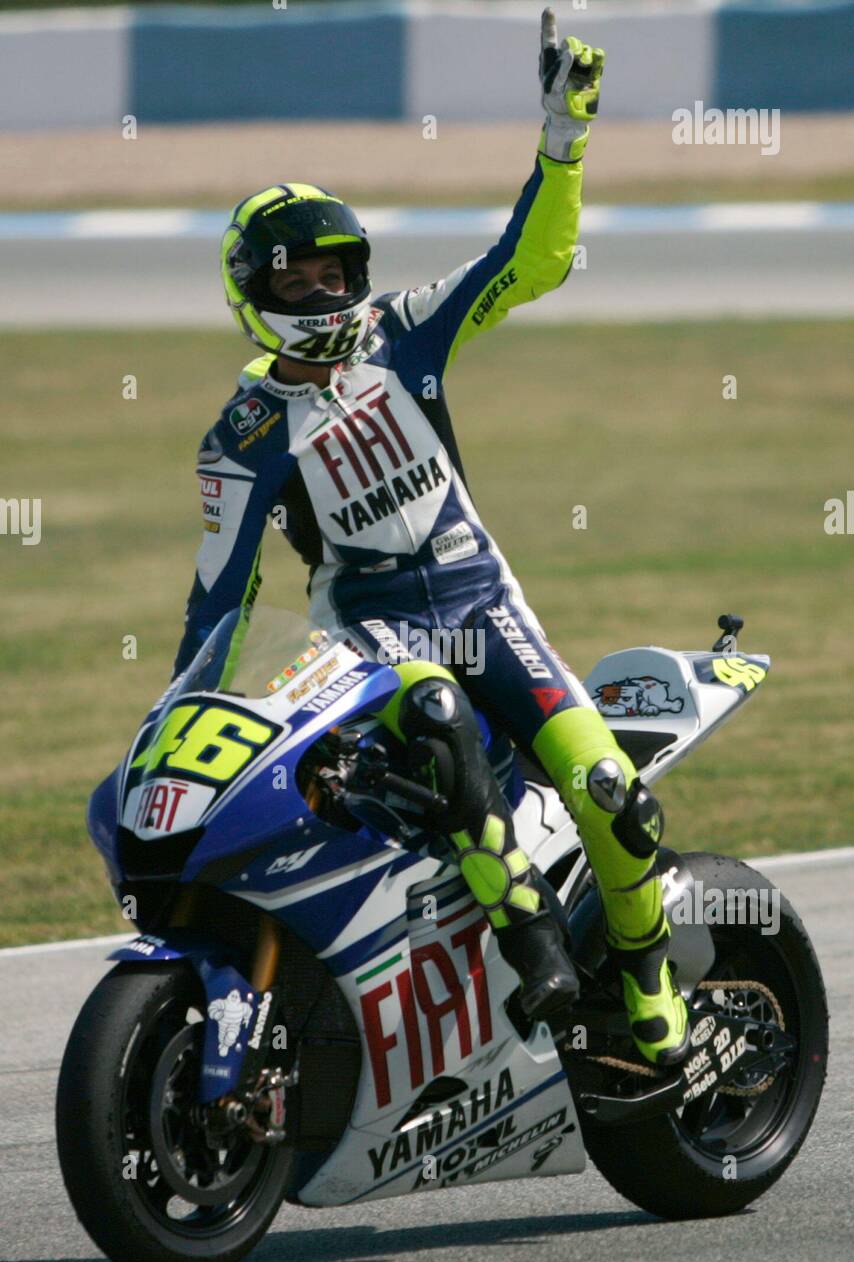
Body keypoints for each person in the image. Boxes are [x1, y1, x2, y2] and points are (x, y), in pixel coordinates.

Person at [172, 9, 690, 1067]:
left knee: (613, 794)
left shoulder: (406, 329)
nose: (322, 291)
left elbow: (532, 260)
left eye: (334, 269)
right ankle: (533, 941)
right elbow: (219, 602)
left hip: (483, 596)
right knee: (439, 718)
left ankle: (650, 975)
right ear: (253, 291)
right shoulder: (243, 435)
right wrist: (187, 724)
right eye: (296, 277)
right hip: (365, 635)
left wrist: (564, 134)